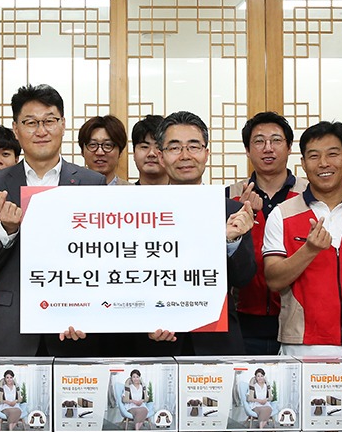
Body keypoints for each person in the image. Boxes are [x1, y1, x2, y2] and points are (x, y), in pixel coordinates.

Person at [0, 84, 106, 356]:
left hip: (74, 324)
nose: (41, 131)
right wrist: (6, 231)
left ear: (63, 124)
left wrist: (88, 310)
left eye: (49, 121)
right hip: (14, 326)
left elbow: (104, 257)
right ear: (16, 129)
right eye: (31, 123)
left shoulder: (92, 182)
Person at [263, 121, 342, 357]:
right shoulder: (282, 214)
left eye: (332, 154)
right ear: (303, 163)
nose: (323, 163)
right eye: (314, 156)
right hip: (301, 346)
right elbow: (273, 280)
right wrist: (309, 250)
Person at [139, 110, 256, 355]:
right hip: (156, 341)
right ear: (161, 156)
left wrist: (231, 240)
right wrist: (144, 322)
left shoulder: (232, 210)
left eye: (194, 146)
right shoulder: (139, 211)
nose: (185, 156)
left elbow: (244, 278)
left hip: (217, 342)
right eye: (174, 148)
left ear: (206, 153)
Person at [227, 111, 306, 355]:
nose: (268, 148)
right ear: (247, 150)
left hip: (298, 323)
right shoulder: (229, 197)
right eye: (259, 141)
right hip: (242, 322)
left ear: (289, 147)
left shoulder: (309, 195)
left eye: (276, 140)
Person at [79, 115, 130, 185]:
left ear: (120, 152)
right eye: (92, 145)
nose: (100, 152)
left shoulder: (132, 190)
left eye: (108, 145)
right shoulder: (70, 189)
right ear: (82, 151)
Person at [130, 114, 167, 185]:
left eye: (158, 147)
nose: (151, 153)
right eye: (144, 147)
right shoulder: (123, 192)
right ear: (134, 153)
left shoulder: (183, 191)